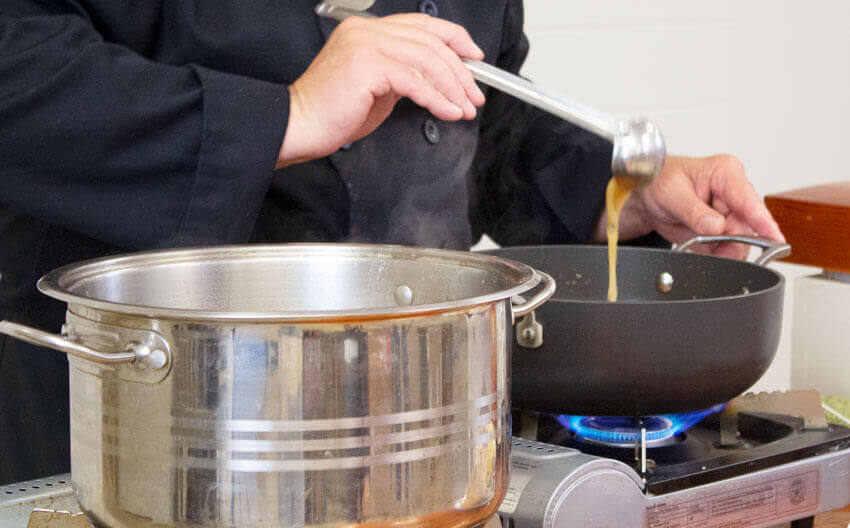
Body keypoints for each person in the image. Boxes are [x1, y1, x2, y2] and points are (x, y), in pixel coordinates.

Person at [0, 1, 783, 485]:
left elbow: (477, 127)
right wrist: (286, 118)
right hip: (141, 427)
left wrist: (622, 192)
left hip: (417, 442)